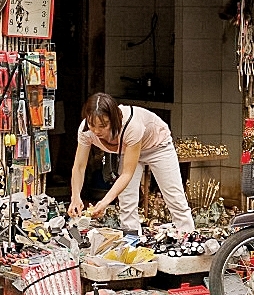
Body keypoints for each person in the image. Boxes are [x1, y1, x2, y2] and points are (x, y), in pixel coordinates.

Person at [69, 93, 195, 234]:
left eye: (103, 125)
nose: (97, 131)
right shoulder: (85, 130)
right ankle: (131, 240)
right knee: (127, 201)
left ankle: (188, 235)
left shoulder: (131, 125)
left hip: (158, 146)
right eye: (92, 125)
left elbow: (127, 174)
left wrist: (104, 203)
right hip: (125, 150)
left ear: (114, 119)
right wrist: (75, 197)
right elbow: (79, 167)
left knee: (174, 196)